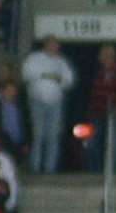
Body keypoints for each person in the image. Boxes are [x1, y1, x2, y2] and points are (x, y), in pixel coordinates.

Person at [21, 38, 76, 175]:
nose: (55, 47)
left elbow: (69, 80)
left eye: (57, 45)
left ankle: (49, 168)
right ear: (46, 45)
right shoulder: (34, 58)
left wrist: (58, 79)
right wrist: (46, 75)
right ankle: (35, 167)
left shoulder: (61, 62)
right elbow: (26, 74)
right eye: (52, 44)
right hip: (37, 101)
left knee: (53, 136)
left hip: (55, 102)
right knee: (38, 134)